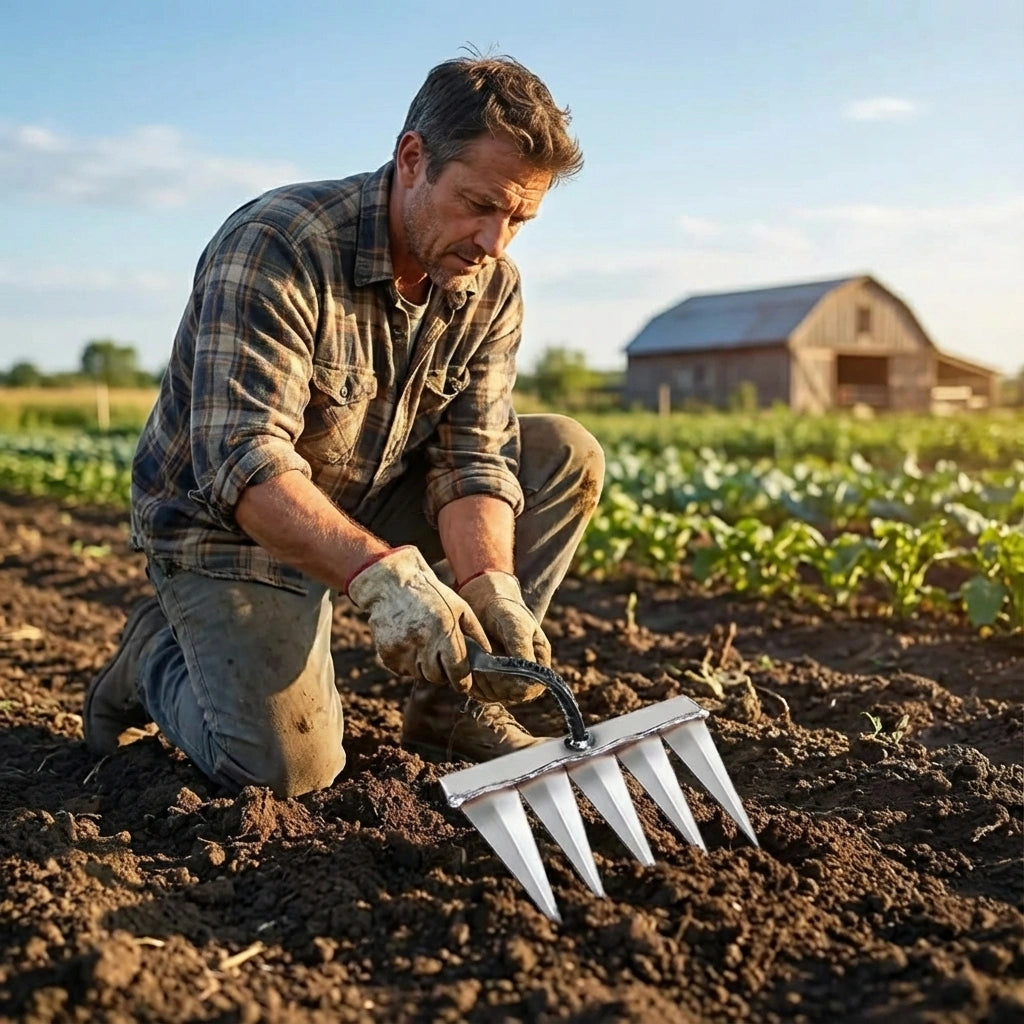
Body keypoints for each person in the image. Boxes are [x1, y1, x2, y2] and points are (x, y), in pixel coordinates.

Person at [83, 54, 604, 798]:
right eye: (479, 205)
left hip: (363, 497)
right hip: (229, 529)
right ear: (413, 158)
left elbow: (474, 458)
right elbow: (243, 460)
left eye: (519, 219)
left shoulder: (489, 284)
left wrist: (491, 584)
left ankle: (456, 709)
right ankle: (155, 659)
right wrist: (380, 578)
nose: (495, 241)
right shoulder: (279, 244)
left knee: (563, 453)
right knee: (286, 775)